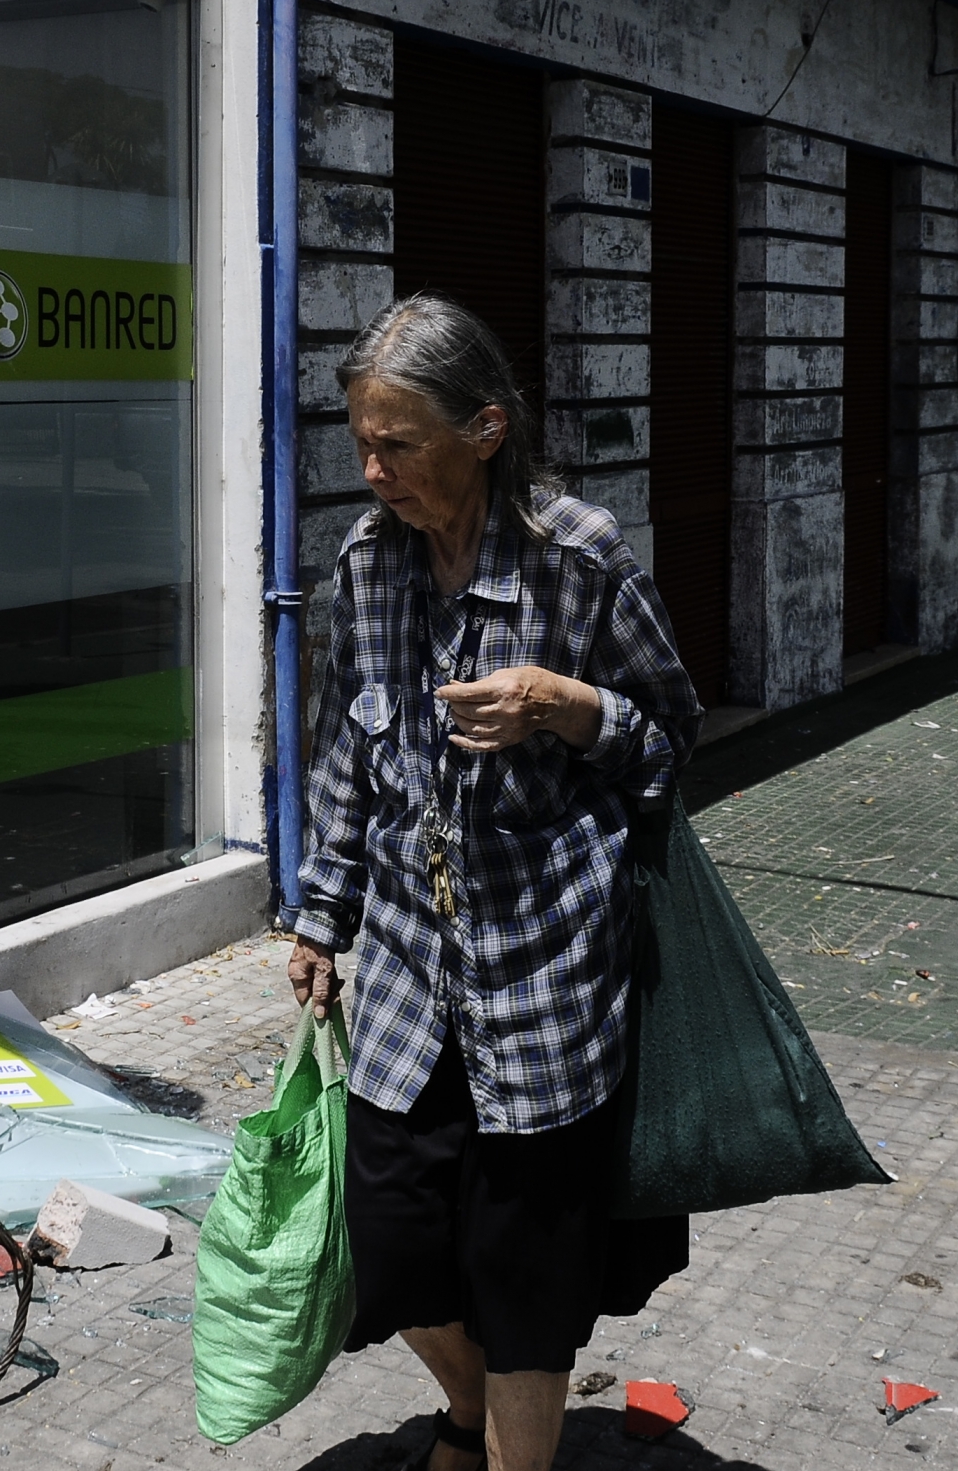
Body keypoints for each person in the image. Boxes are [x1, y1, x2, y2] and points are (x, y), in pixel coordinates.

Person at [285, 294, 700, 1471]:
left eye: (397, 444)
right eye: (360, 443)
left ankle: (510, 1451)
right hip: (411, 985)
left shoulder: (578, 557)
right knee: (395, 1248)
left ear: (484, 427)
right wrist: (323, 915)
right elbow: (340, 760)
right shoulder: (368, 567)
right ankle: (464, 1410)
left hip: (549, 984)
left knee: (528, 1281)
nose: (373, 472)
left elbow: (672, 734)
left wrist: (567, 708)